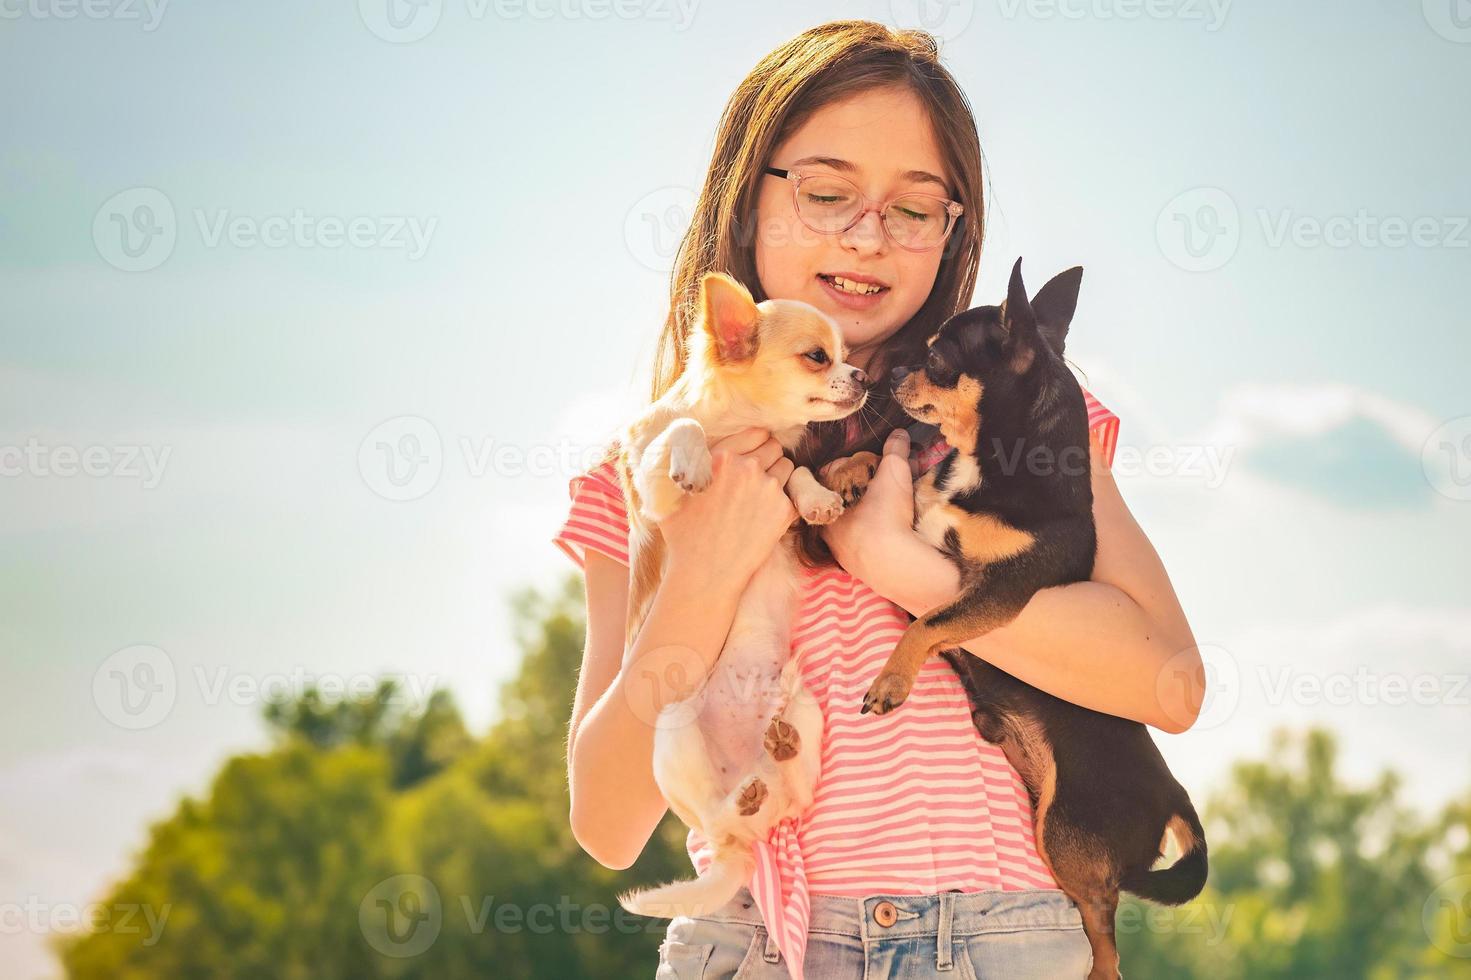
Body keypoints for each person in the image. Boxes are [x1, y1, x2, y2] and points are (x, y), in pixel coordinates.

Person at [555, 20, 1204, 979]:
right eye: (825, 193)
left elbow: (1169, 682)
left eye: (914, 208)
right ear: (747, 197)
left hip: (995, 940)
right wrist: (700, 572)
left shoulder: (1011, 413)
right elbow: (607, 821)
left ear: (955, 229)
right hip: (750, 944)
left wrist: (898, 568)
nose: (867, 236)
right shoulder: (650, 467)